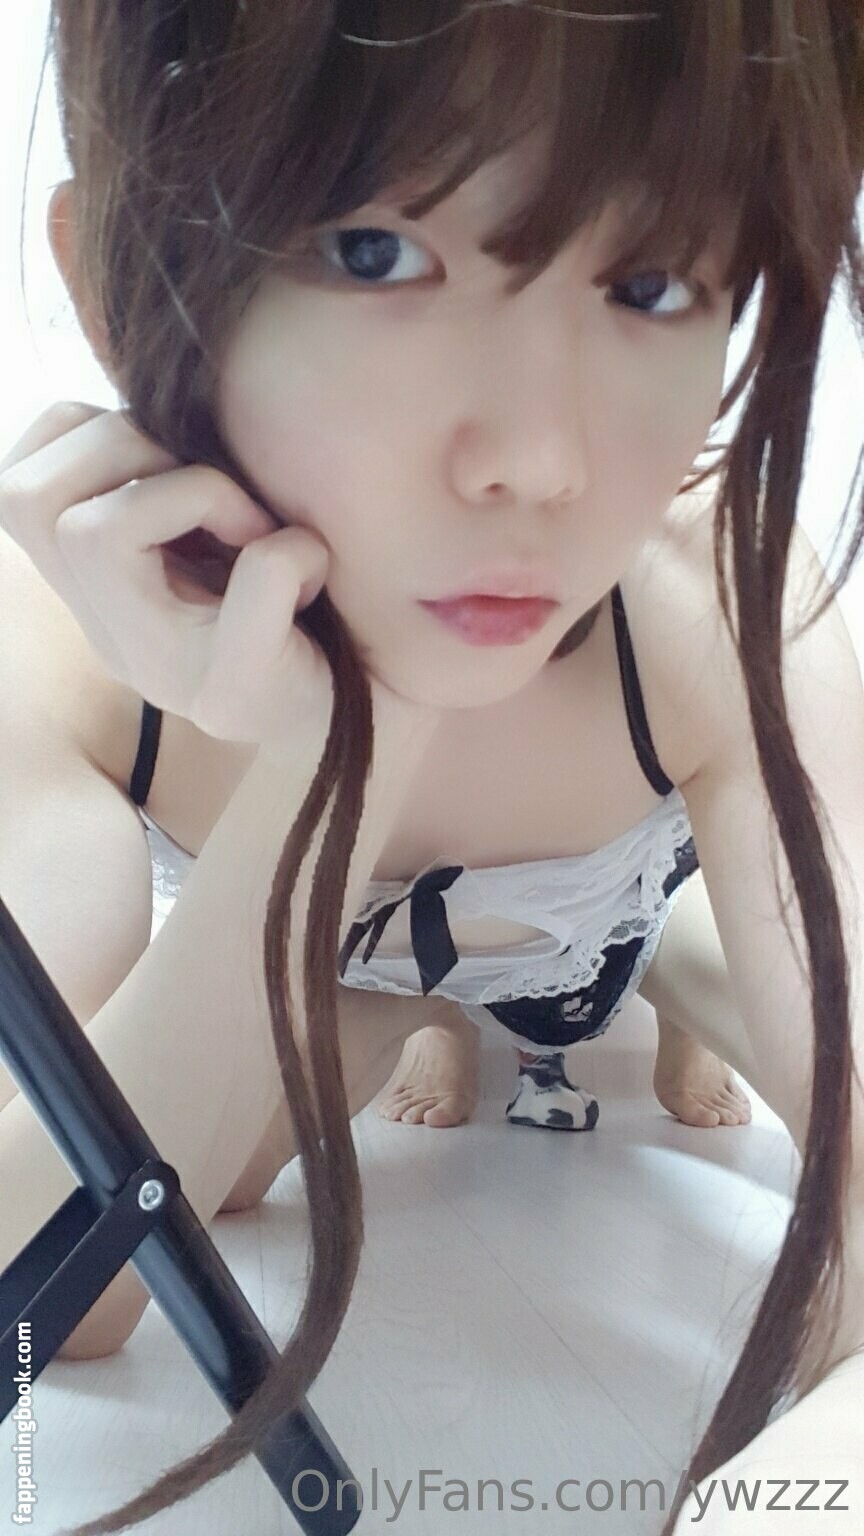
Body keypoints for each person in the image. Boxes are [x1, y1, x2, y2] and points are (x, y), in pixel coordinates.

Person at [0, 4, 861, 1534]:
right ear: (110, 282)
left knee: (668, 968)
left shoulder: (708, 598)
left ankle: (655, 975)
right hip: (335, 965)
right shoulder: (58, 647)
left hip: (603, 915)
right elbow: (61, 1295)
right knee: (257, 1141)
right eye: (374, 253)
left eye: (650, 282)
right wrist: (342, 737)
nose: (539, 460)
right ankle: (429, 1002)